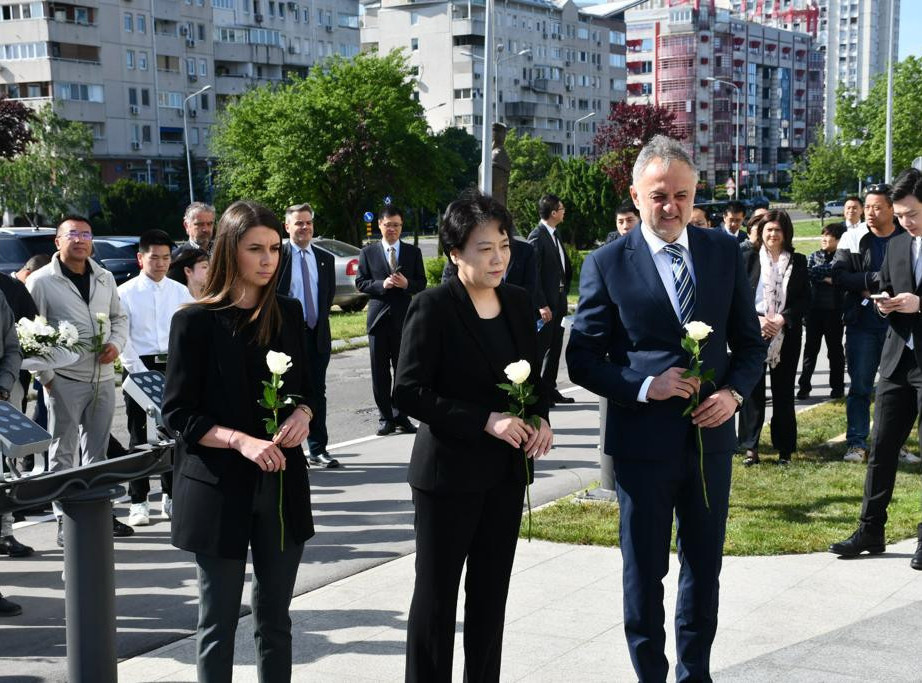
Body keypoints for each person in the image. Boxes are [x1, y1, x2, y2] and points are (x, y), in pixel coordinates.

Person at [566, 135, 765, 682]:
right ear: (636, 194)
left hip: (710, 443)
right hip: (642, 445)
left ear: (695, 191)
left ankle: (693, 674)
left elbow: (749, 345)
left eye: (681, 194)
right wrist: (643, 384)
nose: (671, 206)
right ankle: (649, 675)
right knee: (644, 571)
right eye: (658, 196)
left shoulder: (725, 252)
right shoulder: (607, 263)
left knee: (705, 567)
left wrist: (734, 396)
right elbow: (581, 359)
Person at [394, 191, 553, 681]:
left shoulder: (518, 301)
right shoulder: (433, 307)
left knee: (490, 597)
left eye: (503, 244)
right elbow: (409, 392)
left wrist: (541, 418)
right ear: (454, 253)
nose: (498, 257)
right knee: (437, 601)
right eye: (485, 248)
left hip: (503, 477)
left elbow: (534, 379)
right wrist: (485, 419)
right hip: (447, 478)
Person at [162, 200, 317, 682]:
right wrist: (239, 441)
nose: (269, 259)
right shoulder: (195, 322)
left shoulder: (288, 315)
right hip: (218, 488)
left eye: (274, 248)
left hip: (280, 486)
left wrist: (303, 414)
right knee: (217, 623)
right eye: (256, 249)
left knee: (276, 621)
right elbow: (178, 414)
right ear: (230, 249)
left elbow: (310, 386)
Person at [829, 168, 922, 571]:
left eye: (913, 214)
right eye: (901, 215)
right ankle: (870, 529)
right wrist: (884, 301)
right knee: (880, 447)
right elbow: (883, 283)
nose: (906, 222)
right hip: (898, 358)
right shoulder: (900, 243)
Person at [26, 216, 132, 547]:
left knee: (97, 450)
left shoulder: (104, 276)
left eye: (86, 234)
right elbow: (29, 332)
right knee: (63, 450)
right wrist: (46, 377)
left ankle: (99, 514)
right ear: (58, 242)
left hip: (102, 378)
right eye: (73, 234)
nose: (80, 240)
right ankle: (64, 519)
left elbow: (120, 317)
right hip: (64, 380)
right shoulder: (42, 281)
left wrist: (116, 344)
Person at [119, 230, 194, 526]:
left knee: (173, 433)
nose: (161, 263)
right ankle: (138, 501)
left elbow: (189, 333)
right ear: (140, 258)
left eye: (166, 258)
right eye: (155, 258)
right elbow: (123, 338)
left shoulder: (180, 291)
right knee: (140, 435)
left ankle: (171, 496)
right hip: (140, 365)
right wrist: (139, 374)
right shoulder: (124, 292)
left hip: (173, 366)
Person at [832, 184, 909, 464]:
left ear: (892, 209)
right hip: (862, 322)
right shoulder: (852, 237)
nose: (871, 213)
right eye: (868, 207)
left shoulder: (907, 236)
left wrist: (868, 280)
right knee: (861, 386)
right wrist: (876, 282)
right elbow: (839, 275)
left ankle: (895, 443)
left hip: (900, 324)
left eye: (878, 207)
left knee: (899, 387)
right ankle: (856, 442)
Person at [737, 210, 809, 466]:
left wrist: (782, 319)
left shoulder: (798, 261)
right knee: (752, 391)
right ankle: (750, 447)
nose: (772, 234)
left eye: (777, 230)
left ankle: (785, 449)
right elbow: (738, 296)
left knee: (783, 392)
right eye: (768, 229)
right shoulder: (748, 257)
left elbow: (804, 300)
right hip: (753, 330)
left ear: (786, 233)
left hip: (785, 332)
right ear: (761, 232)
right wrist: (756, 321)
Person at [277, 203, 339, 469]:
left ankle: (318, 448)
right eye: (298, 223)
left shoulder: (326, 259)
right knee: (284, 392)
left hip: (316, 336)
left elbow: (327, 298)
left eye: (308, 223)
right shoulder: (279, 255)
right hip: (285, 336)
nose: (304, 228)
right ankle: (287, 449)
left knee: (316, 393)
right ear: (287, 226)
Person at [355, 206, 426, 437]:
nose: (392, 229)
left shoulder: (412, 252)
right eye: (388, 225)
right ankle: (385, 417)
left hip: (404, 319)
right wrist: (380, 285)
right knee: (379, 372)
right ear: (380, 225)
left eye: (396, 225)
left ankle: (401, 415)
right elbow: (361, 283)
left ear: (402, 226)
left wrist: (407, 285)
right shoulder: (368, 252)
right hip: (377, 319)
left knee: (403, 370)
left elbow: (421, 283)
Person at [529, 194, 574, 405]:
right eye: (562, 208)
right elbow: (533, 274)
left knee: (556, 347)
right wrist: (541, 304)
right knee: (542, 348)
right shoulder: (537, 236)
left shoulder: (555, 234)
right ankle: (536, 393)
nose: (564, 211)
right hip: (546, 304)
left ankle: (550, 388)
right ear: (553, 212)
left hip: (560, 300)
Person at [797, 222, 847, 400]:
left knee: (835, 351)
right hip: (813, 311)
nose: (824, 239)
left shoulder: (842, 257)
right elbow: (807, 273)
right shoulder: (813, 255)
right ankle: (804, 387)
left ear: (838, 240)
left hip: (834, 311)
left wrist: (828, 276)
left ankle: (837, 387)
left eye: (829, 236)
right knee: (810, 350)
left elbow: (838, 274)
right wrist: (828, 277)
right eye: (823, 235)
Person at [0, 292, 32, 559]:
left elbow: (12, 346)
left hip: (3, 392)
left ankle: (5, 533)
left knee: (4, 470)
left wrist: (5, 384)